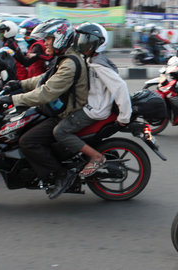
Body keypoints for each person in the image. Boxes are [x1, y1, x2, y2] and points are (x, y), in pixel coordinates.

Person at [0, 19, 89, 200]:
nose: (45, 42)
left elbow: (45, 93)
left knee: (27, 141)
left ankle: (61, 175)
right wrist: (18, 84)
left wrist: (13, 99)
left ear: (60, 38)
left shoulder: (69, 64)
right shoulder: (64, 58)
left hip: (67, 114)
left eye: (48, 38)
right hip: (56, 109)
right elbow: (43, 79)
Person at [53, 22, 131, 178]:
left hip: (95, 110)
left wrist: (124, 116)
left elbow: (120, 87)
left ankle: (96, 157)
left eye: (86, 39)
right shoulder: (92, 59)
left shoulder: (98, 64)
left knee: (59, 132)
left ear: (97, 42)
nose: (81, 42)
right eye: (81, 38)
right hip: (93, 106)